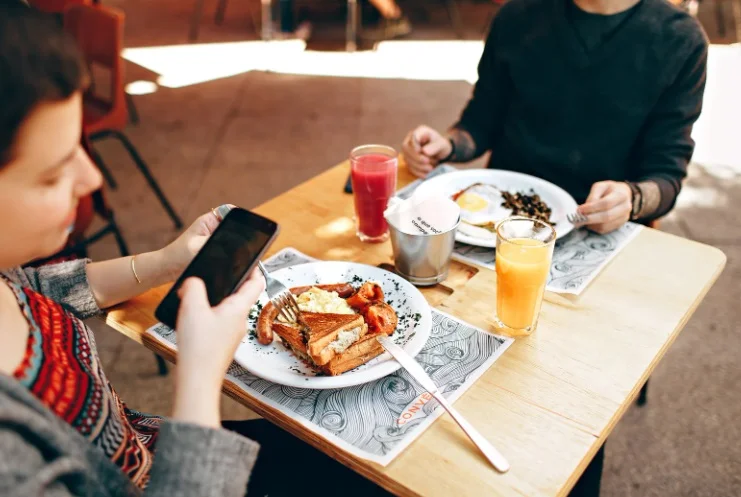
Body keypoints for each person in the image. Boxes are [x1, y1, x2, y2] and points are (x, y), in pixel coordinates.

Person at [0, 4, 389, 496]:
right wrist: (202, 372)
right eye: (52, 173)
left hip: (154, 444)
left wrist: (167, 261)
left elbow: (40, 289)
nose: (92, 178)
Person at [403, 0, 708, 234]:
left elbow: (666, 177)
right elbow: (480, 123)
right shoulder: (517, 16)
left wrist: (632, 198)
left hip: (598, 228)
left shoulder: (681, 40)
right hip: (501, 217)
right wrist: (448, 145)